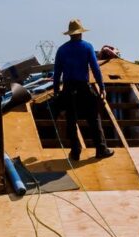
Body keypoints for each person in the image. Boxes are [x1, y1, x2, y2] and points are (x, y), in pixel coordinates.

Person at [52, 19, 114, 162]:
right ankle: (101, 149)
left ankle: (75, 152)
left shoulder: (61, 50)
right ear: (81, 33)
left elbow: (57, 73)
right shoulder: (87, 47)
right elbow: (95, 69)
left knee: (71, 120)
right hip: (83, 87)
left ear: (69, 34)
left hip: (68, 88)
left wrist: (56, 92)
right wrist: (102, 87)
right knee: (94, 118)